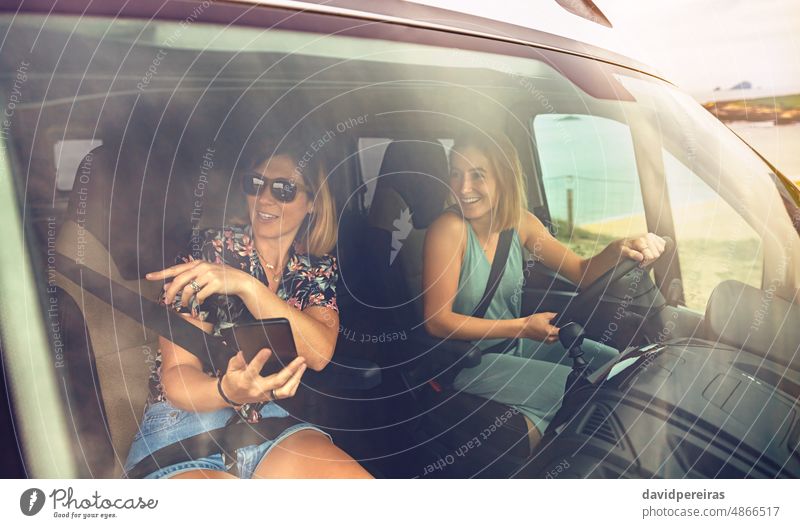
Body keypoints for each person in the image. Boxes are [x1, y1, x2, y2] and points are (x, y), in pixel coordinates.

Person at [123, 137, 371, 479]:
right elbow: (177, 378)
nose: (265, 197)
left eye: (284, 189)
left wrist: (246, 285)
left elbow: (318, 351)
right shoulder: (207, 252)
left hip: (268, 422)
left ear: (312, 202)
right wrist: (226, 390)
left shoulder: (314, 268)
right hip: (186, 425)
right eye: (255, 184)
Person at [422, 131, 666, 450]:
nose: (463, 187)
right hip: (469, 361)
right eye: (456, 173)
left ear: (503, 179)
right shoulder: (449, 229)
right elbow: (436, 321)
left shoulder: (520, 223)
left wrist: (619, 248)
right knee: (586, 392)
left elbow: (582, 272)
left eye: (477, 175)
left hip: (512, 346)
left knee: (617, 367)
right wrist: (523, 327)